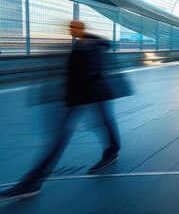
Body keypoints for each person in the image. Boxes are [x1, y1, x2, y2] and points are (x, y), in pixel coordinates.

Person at [0, 20, 121, 201]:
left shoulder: (92, 46)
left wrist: (70, 91)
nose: (71, 29)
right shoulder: (80, 45)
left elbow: (92, 73)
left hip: (89, 94)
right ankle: (112, 150)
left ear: (82, 28)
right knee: (99, 124)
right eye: (70, 27)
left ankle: (31, 184)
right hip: (80, 95)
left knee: (73, 133)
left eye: (74, 27)